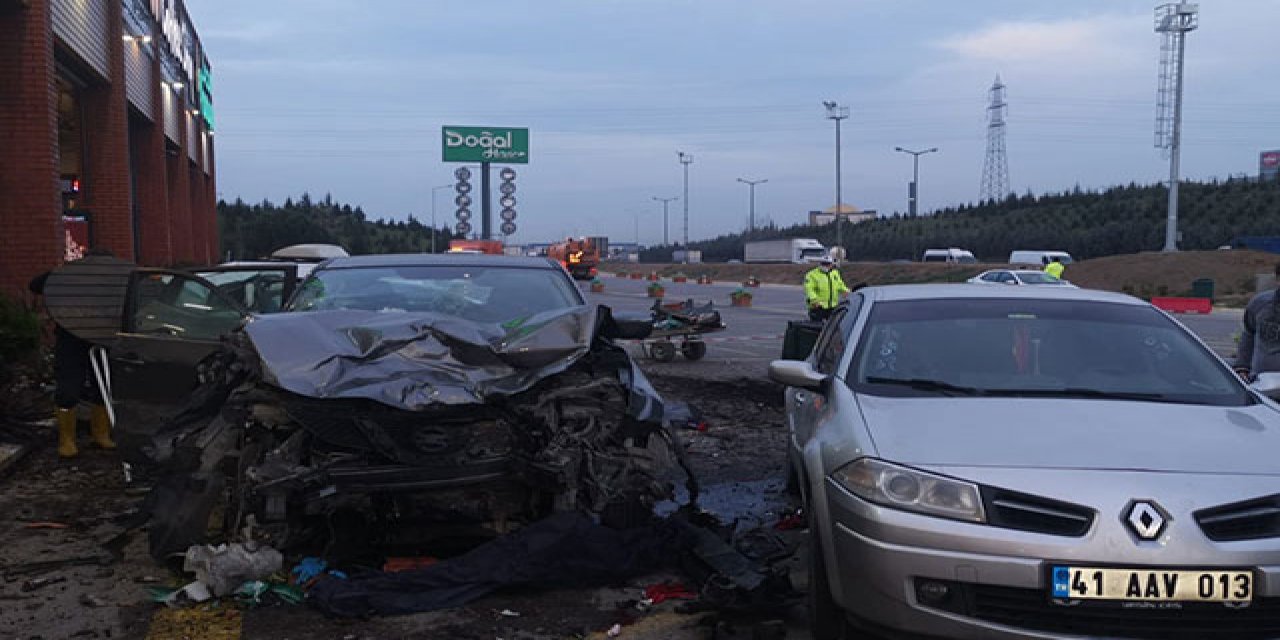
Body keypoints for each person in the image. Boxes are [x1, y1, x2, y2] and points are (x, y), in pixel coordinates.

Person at [28, 253, 118, 458]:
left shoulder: (114, 281)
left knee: (103, 386)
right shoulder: (69, 278)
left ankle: (101, 434)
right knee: (68, 388)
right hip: (71, 338)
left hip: (101, 338)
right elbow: (35, 285)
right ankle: (67, 440)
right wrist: (62, 274)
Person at [1234, 263, 1280, 380]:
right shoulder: (1260, 303)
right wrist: (1242, 367)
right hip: (1260, 383)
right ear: (1278, 279)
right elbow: (1248, 334)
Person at [804, 257, 850, 322]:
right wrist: (814, 300)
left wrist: (845, 291)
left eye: (828, 264)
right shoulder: (811, 274)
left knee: (833, 327)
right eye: (824, 264)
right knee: (817, 327)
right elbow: (809, 289)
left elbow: (840, 284)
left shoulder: (834, 273)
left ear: (831, 264)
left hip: (832, 306)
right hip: (818, 307)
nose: (826, 266)